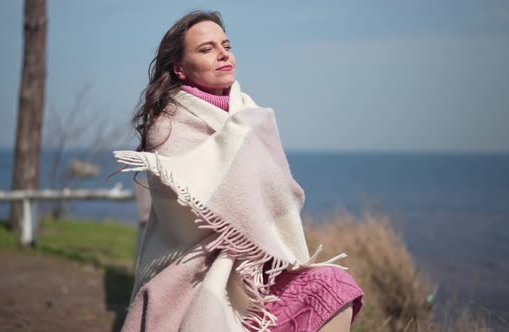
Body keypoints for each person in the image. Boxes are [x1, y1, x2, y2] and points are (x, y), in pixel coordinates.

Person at [113, 10, 364, 332]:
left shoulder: (249, 113)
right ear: (180, 68)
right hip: (192, 276)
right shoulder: (168, 128)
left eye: (226, 45)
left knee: (335, 286)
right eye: (206, 49)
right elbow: (194, 218)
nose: (222, 54)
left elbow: (278, 191)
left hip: (256, 268)